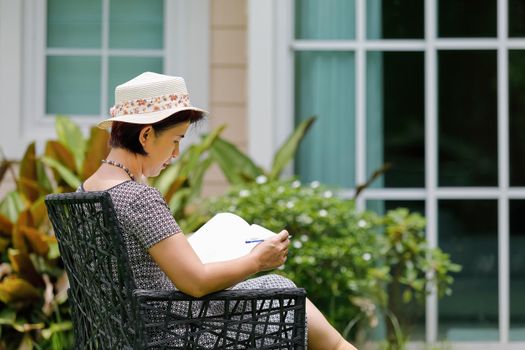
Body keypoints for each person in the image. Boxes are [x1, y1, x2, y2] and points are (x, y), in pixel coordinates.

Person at [81, 72, 357, 350]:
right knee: (283, 293)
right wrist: (257, 260)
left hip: (130, 331)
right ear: (146, 135)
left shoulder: (87, 191)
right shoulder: (139, 198)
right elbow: (196, 283)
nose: (176, 154)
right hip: (174, 332)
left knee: (278, 291)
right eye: (176, 140)